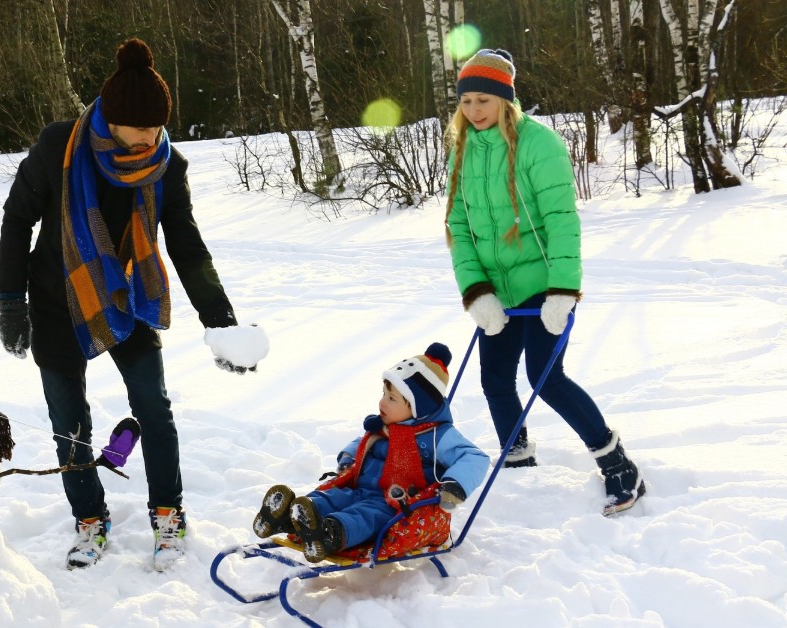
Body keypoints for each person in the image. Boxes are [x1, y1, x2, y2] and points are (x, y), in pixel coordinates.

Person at [0, 38, 267, 571]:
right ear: (111, 120)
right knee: (68, 421)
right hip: (55, 297)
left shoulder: (167, 165)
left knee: (154, 409)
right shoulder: (59, 148)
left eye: (157, 127)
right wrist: (11, 301)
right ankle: (89, 520)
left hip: (127, 297)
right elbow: (15, 218)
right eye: (139, 127)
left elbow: (186, 245)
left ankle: (168, 513)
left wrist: (220, 321)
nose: (150, 137)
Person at [443, 49, 646, 515]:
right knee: (494, 379)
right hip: (497, 291)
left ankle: (617, 465)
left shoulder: (540, 144)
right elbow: (458, 225)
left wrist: (562, 290)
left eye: (484, 100)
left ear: (505, 100)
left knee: (544, 376)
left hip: (541, 285)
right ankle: (517, 460)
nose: (474, 111)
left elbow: (561, 222)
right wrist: (476, 292)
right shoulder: (462, 148)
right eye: (467, 101)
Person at [252, 343, 488, 563]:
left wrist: (454, 485)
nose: (382, 403)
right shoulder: (386, 426)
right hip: (361, 488)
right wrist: (349, 456)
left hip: (394, 502)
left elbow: (474, 457)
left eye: (392, 398)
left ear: (418, 408)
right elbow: (363, 441)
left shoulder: (438, 435)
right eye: (384, 394)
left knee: (366, 516)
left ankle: (331, 534)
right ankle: (291, 516)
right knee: (335, 498)